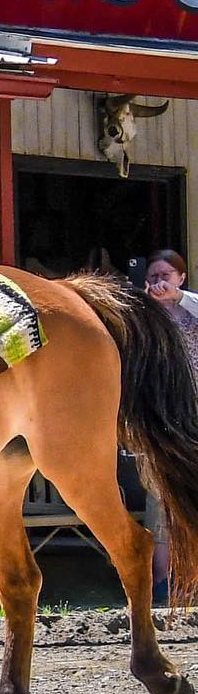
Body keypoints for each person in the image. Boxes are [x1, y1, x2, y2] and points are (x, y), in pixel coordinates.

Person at [142, 249, 198, 597]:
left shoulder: (191, 309)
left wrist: (179, 299)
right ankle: (163, 582)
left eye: (166, 275)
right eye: (153, 276)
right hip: (161, 416)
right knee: (159, 499)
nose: (159, 281)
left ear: (181, 278)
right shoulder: (145, 317)